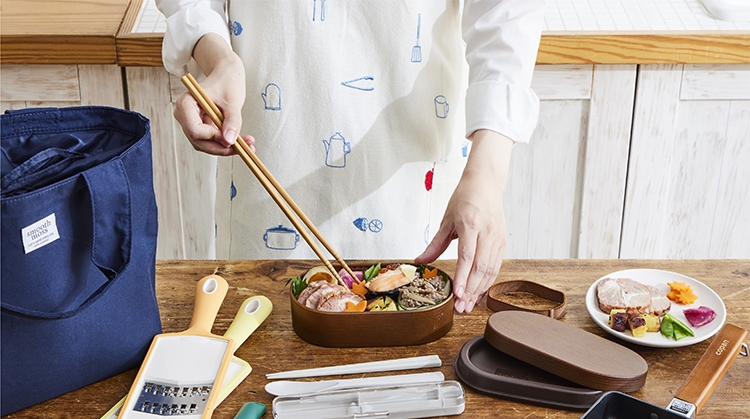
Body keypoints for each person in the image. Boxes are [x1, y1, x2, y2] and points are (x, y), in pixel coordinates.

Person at [156, 0, 544, 313]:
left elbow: (507, 12)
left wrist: (487, 176)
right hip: (271, 158)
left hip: (411, 176)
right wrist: (217, 57)